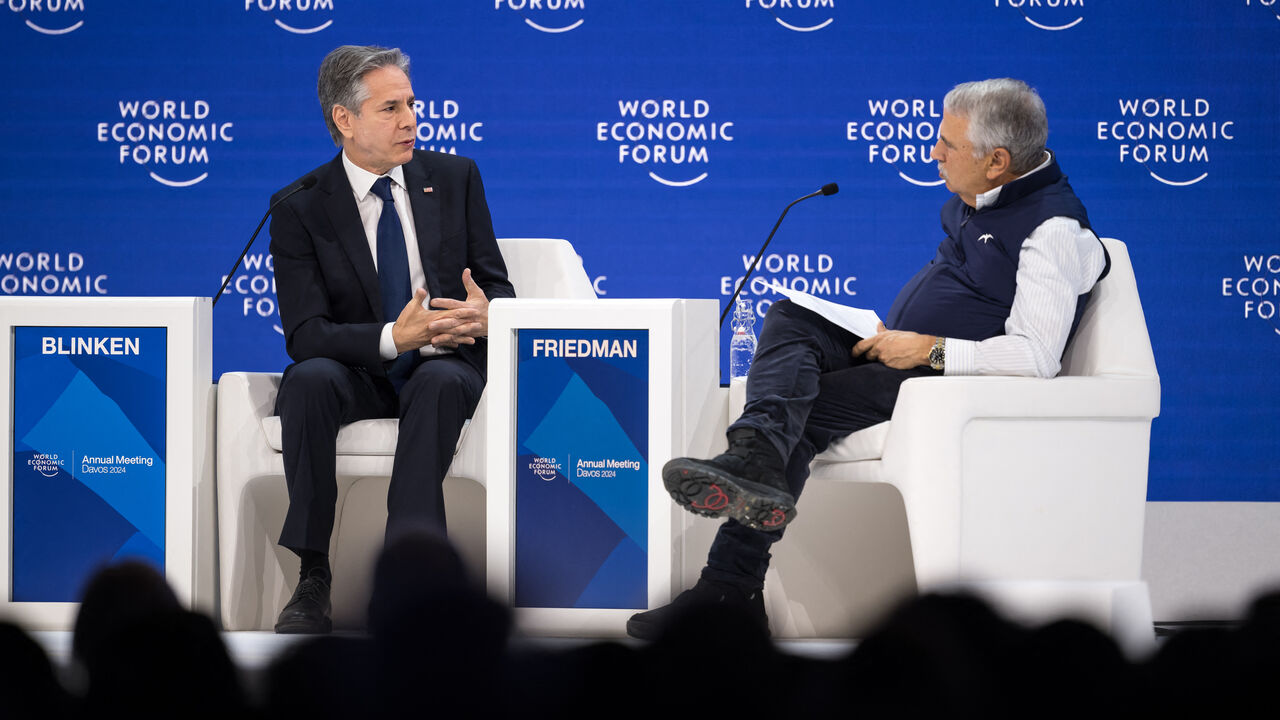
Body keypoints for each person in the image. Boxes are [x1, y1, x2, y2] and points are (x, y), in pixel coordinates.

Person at [628, 78, 1110, 639]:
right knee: (792, 315)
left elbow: (1036, 356)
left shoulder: (1052, 232)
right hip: (900, 351)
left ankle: (729, 587)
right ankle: (755, 455)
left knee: (801, 409)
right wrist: (896, 335)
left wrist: (927, 348)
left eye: (948, 144)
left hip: (940, 380)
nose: (934, 153)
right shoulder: (978, 202)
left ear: (997, 161)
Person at [268, 44, 514, 634]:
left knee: (439, 382)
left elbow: (497, 289)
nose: (410, 120)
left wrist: (489, 315)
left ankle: (411, 579)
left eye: (411, 104)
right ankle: (313, 574)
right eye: (390, 108)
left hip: (443, 361)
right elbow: (305, 334)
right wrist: (390, 337)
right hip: (359, 371)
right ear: (344, 119)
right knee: (308, 380)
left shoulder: (454, 178)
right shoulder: (300, 206)